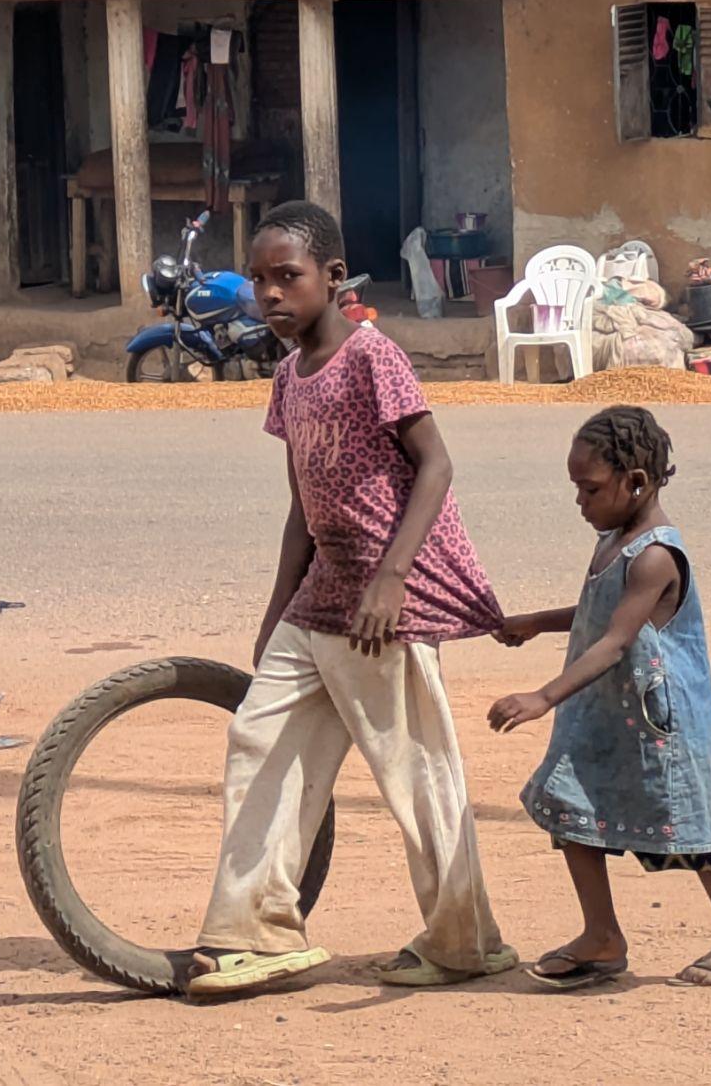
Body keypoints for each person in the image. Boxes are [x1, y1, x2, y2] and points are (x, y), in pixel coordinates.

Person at [186, 200, 514, 999]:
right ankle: (255, 931)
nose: (268, 294)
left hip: (381, 605)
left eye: (286, 277)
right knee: (258, 745)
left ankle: (465, 940)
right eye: (258, 279)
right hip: (319, 598)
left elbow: (434, 465)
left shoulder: (373, 357)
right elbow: (302, 504)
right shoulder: (286, 375)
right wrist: (274, 616)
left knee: (416, 773)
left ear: (332, 278)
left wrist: (393, 580)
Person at [489, 406, 711, 992]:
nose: (580, 502)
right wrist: (537, 622)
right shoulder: (616, 541)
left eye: (589, 488)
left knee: (692, 830)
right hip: (604, 717)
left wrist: (542, 696)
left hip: (658, 724)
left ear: (635, 482)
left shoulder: (654, 556)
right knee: (568, 806)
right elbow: (598, 614)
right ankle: (601, 936)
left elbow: (616, 641)